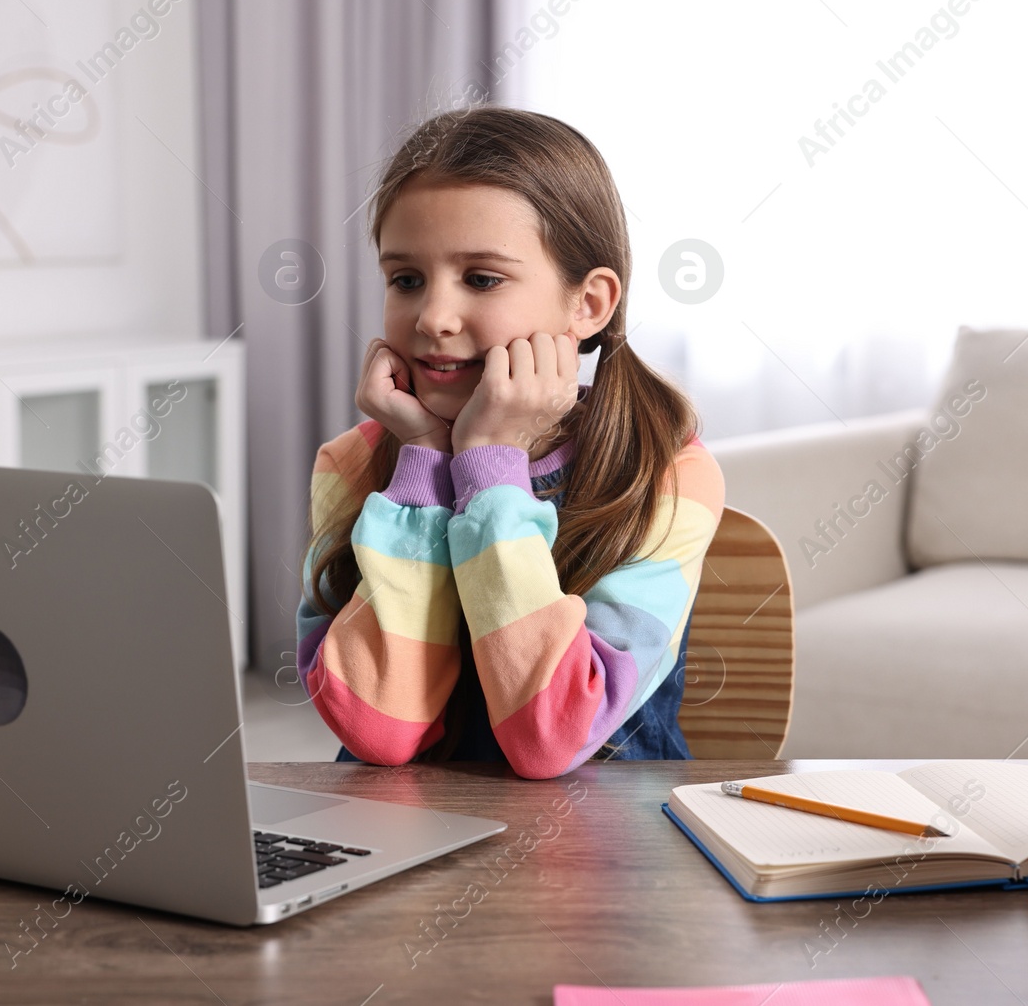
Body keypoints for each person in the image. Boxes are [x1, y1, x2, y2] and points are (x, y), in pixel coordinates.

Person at [294, 105, 725, 779]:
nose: (433, 317)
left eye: (482, 279)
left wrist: (490, 468)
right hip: (408, 845)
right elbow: (380, 726)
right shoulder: (350, 465)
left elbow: (552, 736)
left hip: (608, 853)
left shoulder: (667, 474)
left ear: (587, 305)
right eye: (405, 279)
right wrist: (424, 470)